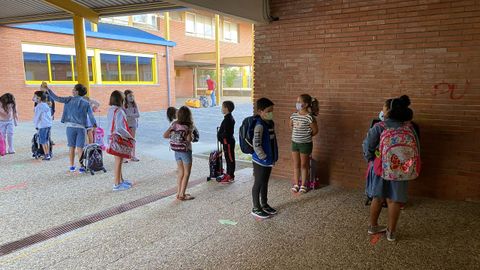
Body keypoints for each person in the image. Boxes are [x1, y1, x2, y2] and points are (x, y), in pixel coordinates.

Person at [362, 95, 419, 242]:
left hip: (380, 167)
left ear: (389, 111)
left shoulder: (379, 127)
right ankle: (391, 232)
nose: (382, 110)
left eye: (384, 107)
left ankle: (373, 226)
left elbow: (367, 146)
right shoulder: (410, 128)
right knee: (394, 200)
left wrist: (371, 159)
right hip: (401, 170)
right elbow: (417, 149)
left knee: (377, 197)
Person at [45, 82, 96, 173]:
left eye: (74, 89)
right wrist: (94, 125)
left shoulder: (68, 99)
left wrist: (48, 90)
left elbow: (57, 98)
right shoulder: (86, 103)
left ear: (76, 92)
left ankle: (72, 166)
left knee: (71, 147)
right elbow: (91, 115)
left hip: (70, 127)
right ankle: (81, 166)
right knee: (80, 147)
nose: (72, 90)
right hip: (81, 128)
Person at [251, 98, 279, 219]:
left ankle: (264, 204)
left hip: (268, 160)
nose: (271, 113)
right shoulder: (259, 126)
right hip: (260, 160)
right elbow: (256, 144)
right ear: (260, 111)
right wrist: (263, 157)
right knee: (258, 183)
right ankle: (256, 207)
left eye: (272, 110)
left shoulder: (269, 123)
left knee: (265, 182)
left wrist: (270, 158)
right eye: (268, 111)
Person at [164, 106, 195, 201]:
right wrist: (190, 133)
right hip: (185, 151)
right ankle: (182, 194)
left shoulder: (174, 124)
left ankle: (178, 192)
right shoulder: (188, 126)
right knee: (187, 173)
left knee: (180, 172)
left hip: (176, 151)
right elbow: (189, 139)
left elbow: (165, 135)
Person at [290, 94, 319, 193]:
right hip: (295, 143)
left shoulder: (309, 117)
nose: (297, 103)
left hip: (305, 144)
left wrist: (306, 136)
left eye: (299, 102)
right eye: (297, 101)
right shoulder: (293, 115)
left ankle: (303, 185)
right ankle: (296, 184)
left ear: (306, 104)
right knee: (296, 164)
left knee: (304, 165)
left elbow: (315, 131)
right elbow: (291, 126)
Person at [106, 90, 134, 191]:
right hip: (118, 138)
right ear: (121, 100)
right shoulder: (120, 111)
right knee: (118, 161)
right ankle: (117, 184)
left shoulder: (111, 110)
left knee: (119, 160)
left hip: (111, 138)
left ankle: (121, 180)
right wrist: (130, 136)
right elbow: (120, 128)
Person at [217, 101, 236, 183]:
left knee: (230, 159)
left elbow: (227, 133)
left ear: (226, 109)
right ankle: (228, 173)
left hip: (228, 142)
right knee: (228, 158)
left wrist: (222, 137)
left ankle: (230, 175)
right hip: (226, 142)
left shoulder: (228, 119)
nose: (221, 109)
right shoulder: (227, 118)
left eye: (222, 107)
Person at [33, 91, 53, 160]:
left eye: (35, 96)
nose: (34, 98)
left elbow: (37, 117)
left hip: (42, 126)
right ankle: (48, 153)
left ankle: (46, 155)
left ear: (39, 98)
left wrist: (36, 125)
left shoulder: (39, 106)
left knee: (42, 141)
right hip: (48, 125)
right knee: (46, 140)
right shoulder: (46, 105)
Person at [124, 89, 140, 162]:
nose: (132, 97)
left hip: (133, 125)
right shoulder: (123, 105)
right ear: (125, 97)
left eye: (133, 96)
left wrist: (130, 115)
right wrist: (131, 115)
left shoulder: (134, 105)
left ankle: (133, 155)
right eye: (130, 96)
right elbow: (123, 116)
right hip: (125, 125)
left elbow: (138, 115)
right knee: (125, 140)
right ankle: (125, 156)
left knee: (132, 140)